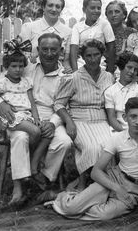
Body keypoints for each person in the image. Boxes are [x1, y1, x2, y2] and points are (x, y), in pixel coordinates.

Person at [51, 97, 138, 221]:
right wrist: (116, 188)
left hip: (134, 189)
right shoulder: (118, 138)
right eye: (133, 116)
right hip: (113, 179)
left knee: (103, 215)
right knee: (70, 208)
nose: (137, 121)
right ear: (125, 118)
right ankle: (63, 199)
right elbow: (96, 171)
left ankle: (80, 203)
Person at [0, 33, 72, 205]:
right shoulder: (27, 67)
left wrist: (52, 123)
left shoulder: (65, 76)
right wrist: (0, 103)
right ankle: (19, 188)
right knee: (21, 137)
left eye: (54, 49)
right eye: (45, 49)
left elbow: (64, 105)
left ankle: (42, 175)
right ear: (38, 50)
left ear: (61, 51)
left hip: (52, 115)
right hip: (19, 113)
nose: (49, 53)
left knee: (64, 142)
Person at [0, 38, 43, 205]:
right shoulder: (1, 83)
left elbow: (32, 104)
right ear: (6, 67)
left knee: (22, 137)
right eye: (13, 66)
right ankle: (28, 172)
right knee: (36, 132)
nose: (17, 70)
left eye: (20, 66)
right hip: (11, 118)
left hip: (25, 117)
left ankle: (19, 187)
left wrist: (37, 118)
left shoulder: (25, 82)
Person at [54, 40, 114, 191]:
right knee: (91, 147)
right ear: (82, 57)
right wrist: (69, 122)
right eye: (88, 56)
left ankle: (104, 184)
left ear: (102, 55)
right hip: (80, 121)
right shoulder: (74, 78)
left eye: (96, 55)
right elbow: (59, 104)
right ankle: (83, 184)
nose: (93, 59)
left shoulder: (108, 77)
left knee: (109, 147)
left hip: (102, 120)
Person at [19, 0, 72, 72]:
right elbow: (21, 55)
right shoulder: (29, 27)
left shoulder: (68, 32)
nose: (54, 9)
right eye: (50, 5)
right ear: (43, 7)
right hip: (32, 72)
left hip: (57, 74)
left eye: (58, 7)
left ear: (61, 10)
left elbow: (66, 61)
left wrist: (67, 69)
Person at [104, 51, 138, 132]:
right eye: (129, 67)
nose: (132, 72)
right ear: (121, 67)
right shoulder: (110, 91)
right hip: (118, 129)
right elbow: (112, 117)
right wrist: (123, 133)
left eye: (135, 70)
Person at [69, 0, 116, 72]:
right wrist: (75, 70)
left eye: (99, 8)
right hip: (81, 63)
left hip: (100, 64)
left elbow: (111, 48)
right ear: (84, 9)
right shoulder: (77, 27)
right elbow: (74, 48)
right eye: (92, 8)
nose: (96, 11)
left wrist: (110, 71)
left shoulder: (105, 24)